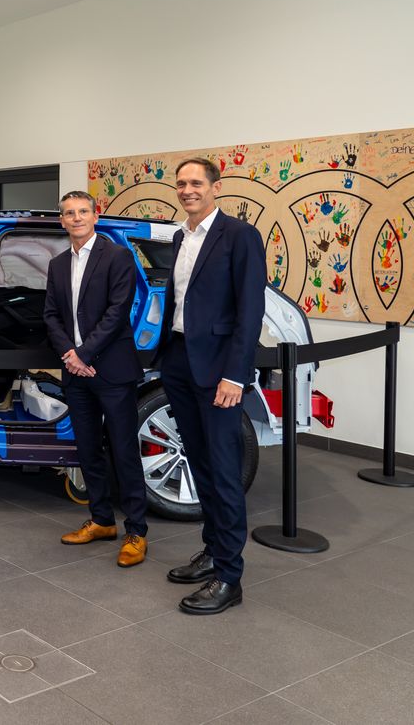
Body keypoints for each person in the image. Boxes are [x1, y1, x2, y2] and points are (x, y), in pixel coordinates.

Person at [158, 158, 266, 614]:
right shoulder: (180, 237)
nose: (188, 190)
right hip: (180, 361)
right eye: (181, 183)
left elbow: (250, 311)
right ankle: (212, 550)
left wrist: (235, 375)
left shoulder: (239, 236)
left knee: (223, 472)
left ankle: (229, 577)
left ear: (215, 187)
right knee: (199, 463)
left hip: (220, 370)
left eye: (196, 182)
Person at [44, 190, 149, 567]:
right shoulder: (57, 264)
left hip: (112, 370)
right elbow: (50, 315)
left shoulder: (117, 256)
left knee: (123, 451)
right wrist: (70, 356)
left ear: (95, 216)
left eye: (83, 211)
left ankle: (136, 531)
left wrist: (84, 354)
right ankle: (102, 520)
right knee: (88, 450)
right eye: (69, 213)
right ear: (62, 220)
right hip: (76, 373)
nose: (76, 218)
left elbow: (118, 312)